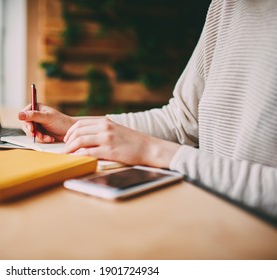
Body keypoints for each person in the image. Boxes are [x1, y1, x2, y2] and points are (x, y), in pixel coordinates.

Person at [18, 0, 277, 218]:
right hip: (206, 213)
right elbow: (181, 119)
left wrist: (152, 151)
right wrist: (74, 126)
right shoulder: (227, 5)